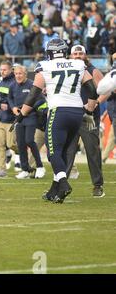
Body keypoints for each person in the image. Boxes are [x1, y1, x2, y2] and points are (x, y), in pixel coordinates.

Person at [16, 38, 98, 204]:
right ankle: (55, 191)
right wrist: (88, 111)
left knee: (53, 152)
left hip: (58, 112)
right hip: (76, 112)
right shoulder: (78, 64)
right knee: (62, 152)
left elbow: (33, 94)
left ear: (49, 52)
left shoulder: (45, 66)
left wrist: (21, 114)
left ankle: (63, 183)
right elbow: (92, 90)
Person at [65, 45, 105, 198]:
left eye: (80, 53)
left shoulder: (93, 70)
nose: (77, 55)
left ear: (85, 55)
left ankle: (97, 185)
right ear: (70, 55)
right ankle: (62, 184)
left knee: (92, 151)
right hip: (71, 115)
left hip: (88, 117)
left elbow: (103, 91)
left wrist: (92, 105)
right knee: (67, 152)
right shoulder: (68, 69)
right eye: (75, 53)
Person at [8, 65, 45, 179]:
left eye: (20, 73)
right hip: (19, 118)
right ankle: (25, 169)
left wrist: (28, 108)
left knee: (29, 140)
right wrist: (13, 107)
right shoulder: (12, 85)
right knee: (20, 143)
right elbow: (9, 98)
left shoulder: (32, 85)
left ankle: (40, 166)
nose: (18, 76)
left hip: (31, 116)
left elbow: (41, 100)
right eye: (16, 74)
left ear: (25, 74)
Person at [0, 61, 19, 177]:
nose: (2, 72)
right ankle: (1, 170)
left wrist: (9, 106)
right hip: (2, 118)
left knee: (11, 144)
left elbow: (18, 99)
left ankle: (23, 153)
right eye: (1, 69)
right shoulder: (2, 82)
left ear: (11, 70)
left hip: (12, 119)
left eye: (5, 70)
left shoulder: (16, 82)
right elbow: (1, 98)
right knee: (0, 145)